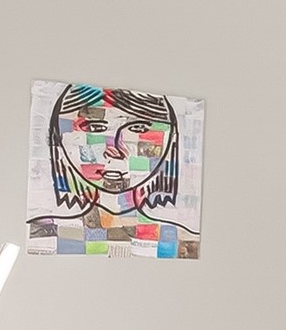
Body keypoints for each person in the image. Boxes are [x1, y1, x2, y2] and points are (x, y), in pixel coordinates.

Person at [29, 84, 199, 255]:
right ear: (58, 137)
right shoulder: (44, 234)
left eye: (138, 129)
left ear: (170, 141)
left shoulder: (180, 235)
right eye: (95, 128)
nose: (116, 150)